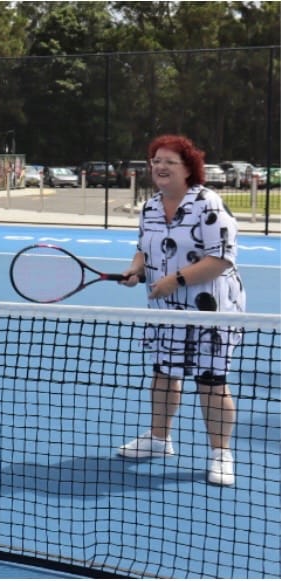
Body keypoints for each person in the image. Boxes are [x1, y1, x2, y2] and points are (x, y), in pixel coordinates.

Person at [115, 134, 246, 487]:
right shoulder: (151, 207)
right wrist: (135, 270)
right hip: (165, 307)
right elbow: (144, 249)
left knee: (211, 380)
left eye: (169, 162)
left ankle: (221, 453)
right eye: (156, 161)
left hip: (210, 308)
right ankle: (159, 439)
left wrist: (176, 280)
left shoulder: (208, 205)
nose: (160, 167)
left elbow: (221, 259)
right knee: (164, 373)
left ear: (188, 169)